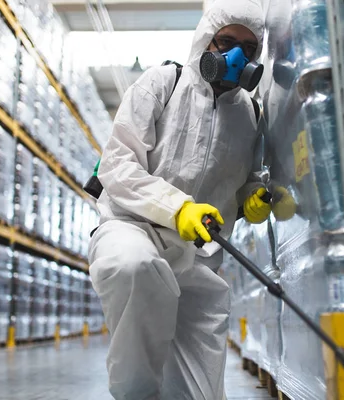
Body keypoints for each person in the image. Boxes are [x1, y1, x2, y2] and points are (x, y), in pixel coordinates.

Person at [88, 1, 267, 399]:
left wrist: (254, 198)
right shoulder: (162, 84)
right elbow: (117, 165)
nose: (235, 56)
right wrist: (178, 207)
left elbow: (248, 180)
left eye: (248, 49)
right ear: (206, 40)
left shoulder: (251, 114)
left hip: (200, 258)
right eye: (225, 42)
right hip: (133, 229)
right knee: (134, 267)